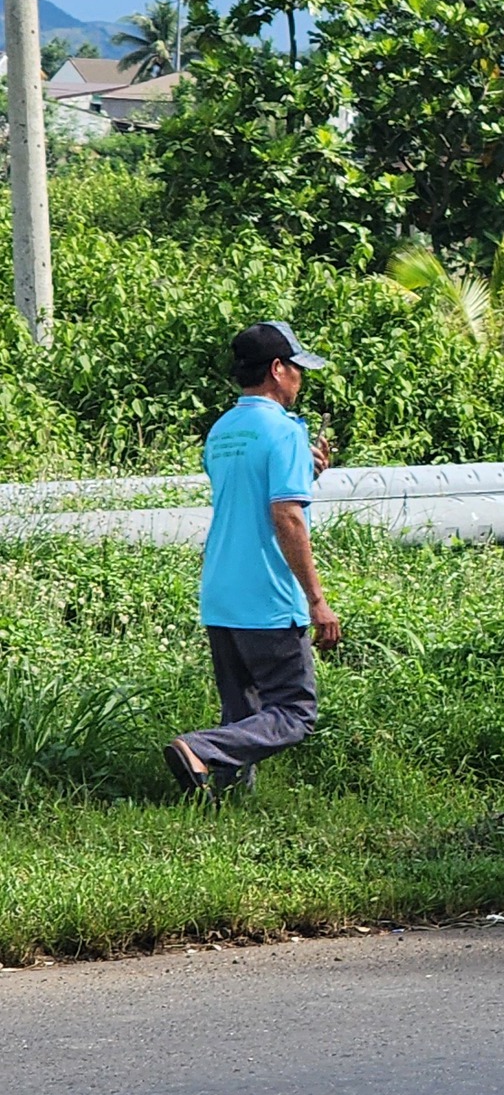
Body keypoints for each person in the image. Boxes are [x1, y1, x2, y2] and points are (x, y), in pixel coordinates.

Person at [163, 322, 343, 798]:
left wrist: (304, 473)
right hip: (267, 595)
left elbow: (247, 494)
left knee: (242, 714)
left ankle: (223, 801)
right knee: (294, 712)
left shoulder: (222, 430)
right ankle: (197, 747)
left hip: (221, 590)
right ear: (277, 369)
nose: (300, 379)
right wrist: (317, 600)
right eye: (297, 368)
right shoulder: (283, 431)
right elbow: (286, 516)